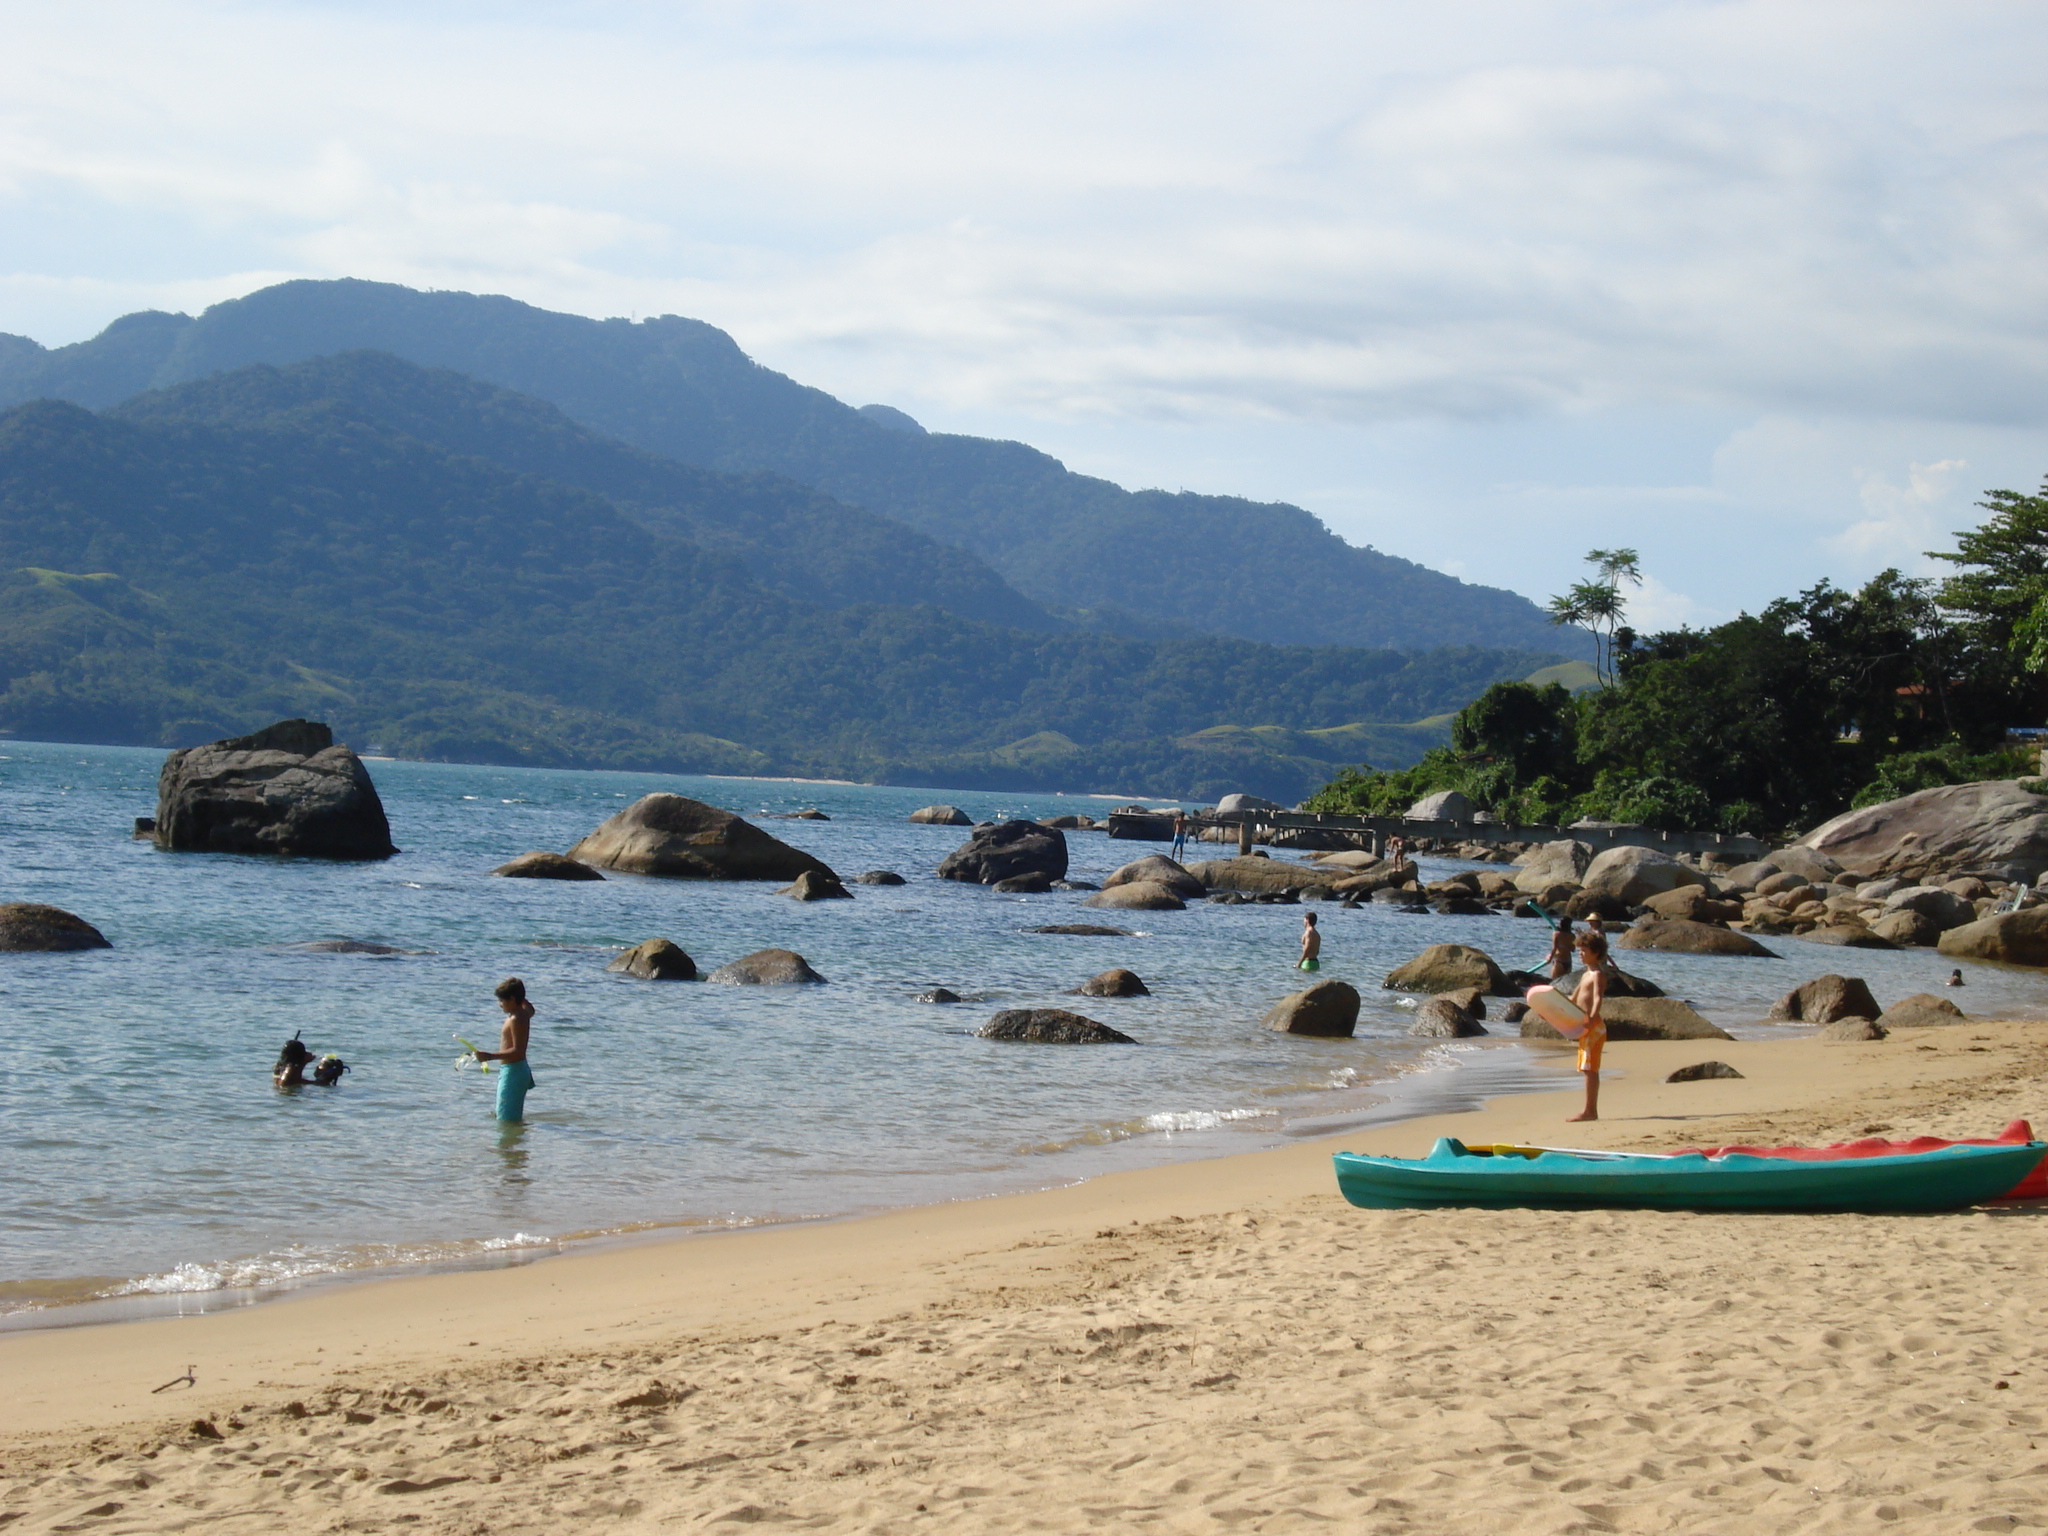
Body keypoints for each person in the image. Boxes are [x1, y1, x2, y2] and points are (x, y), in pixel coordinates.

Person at [474, 977, 536, 1122]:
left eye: (502, 1000)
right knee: (506, 1116)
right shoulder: (524, 1013)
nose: (500, 1004)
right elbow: (531, 1009)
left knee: (506, 1120)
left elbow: (518, 1051)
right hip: (516, 1070)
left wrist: (489, 1056)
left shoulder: (517, 1018)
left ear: (512, 999)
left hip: (513, 1071)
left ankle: (506, 1144)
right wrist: (521, 996)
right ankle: (515, 1143)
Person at [1567, 932, 1608, 1122]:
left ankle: (1590, 1111)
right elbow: (1572, 1000)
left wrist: (1591, 1018)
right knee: (1587, 1069)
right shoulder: (1585, 975)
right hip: (1585, 1027)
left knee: (1590, 1070)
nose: (1580, 954)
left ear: (1596, 952)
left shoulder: (1598, 975)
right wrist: (1548, 1008)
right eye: (1579, 951)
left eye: (1584, 951)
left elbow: (1598, 998)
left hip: (1594, 1027)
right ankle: (1589, 1110)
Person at [1545, 916, 1577, 981]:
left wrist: (1550, 958)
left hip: (1559, 961)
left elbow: (1554, 948)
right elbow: (1573, 949)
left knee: (1553, 983)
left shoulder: (1556, 934)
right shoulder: (1572, 936)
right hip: (1568, 962)